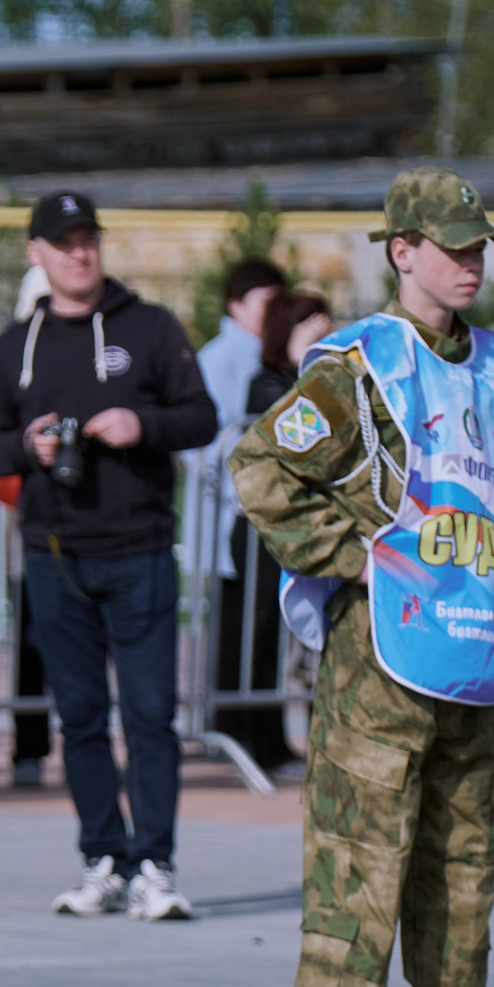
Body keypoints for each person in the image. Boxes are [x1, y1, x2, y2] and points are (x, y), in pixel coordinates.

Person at [232, 166, 494, 987]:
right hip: (382, 650)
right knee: (359, 847)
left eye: (477, 247)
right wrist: (358, 563)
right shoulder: (358, 363)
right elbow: (261, 468)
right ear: (401, 251)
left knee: (462, 852)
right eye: (452, 246)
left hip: (473, 643)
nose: (469, 263)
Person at [0, 191, 216, 920]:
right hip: (53, 554)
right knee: (77, 715)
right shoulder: (17, 344)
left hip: (138, 549)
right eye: (64, 242)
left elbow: (199, 416)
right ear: (36, 253)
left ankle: (156, 864)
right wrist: (27, 446)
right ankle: (102, 856)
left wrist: (139, 423)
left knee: (148, 715)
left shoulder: (150, 327)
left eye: (89, 240)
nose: (80, 253)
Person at [210, 291, 334, 775]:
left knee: (285, 643)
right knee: (255, 637)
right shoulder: (267, 385)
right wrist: (306, 362)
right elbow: (298, 433)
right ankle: (254, 741)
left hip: (300, 527)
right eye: (315, 336)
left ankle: (276, 741)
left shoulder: (315, 381)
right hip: (262, 528)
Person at [186, 257, 286, 583]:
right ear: (236, 305)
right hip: (229, 515)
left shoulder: (266, 356)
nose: (274, 313)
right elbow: (201, 445)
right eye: (266, 302)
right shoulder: (217, 360)